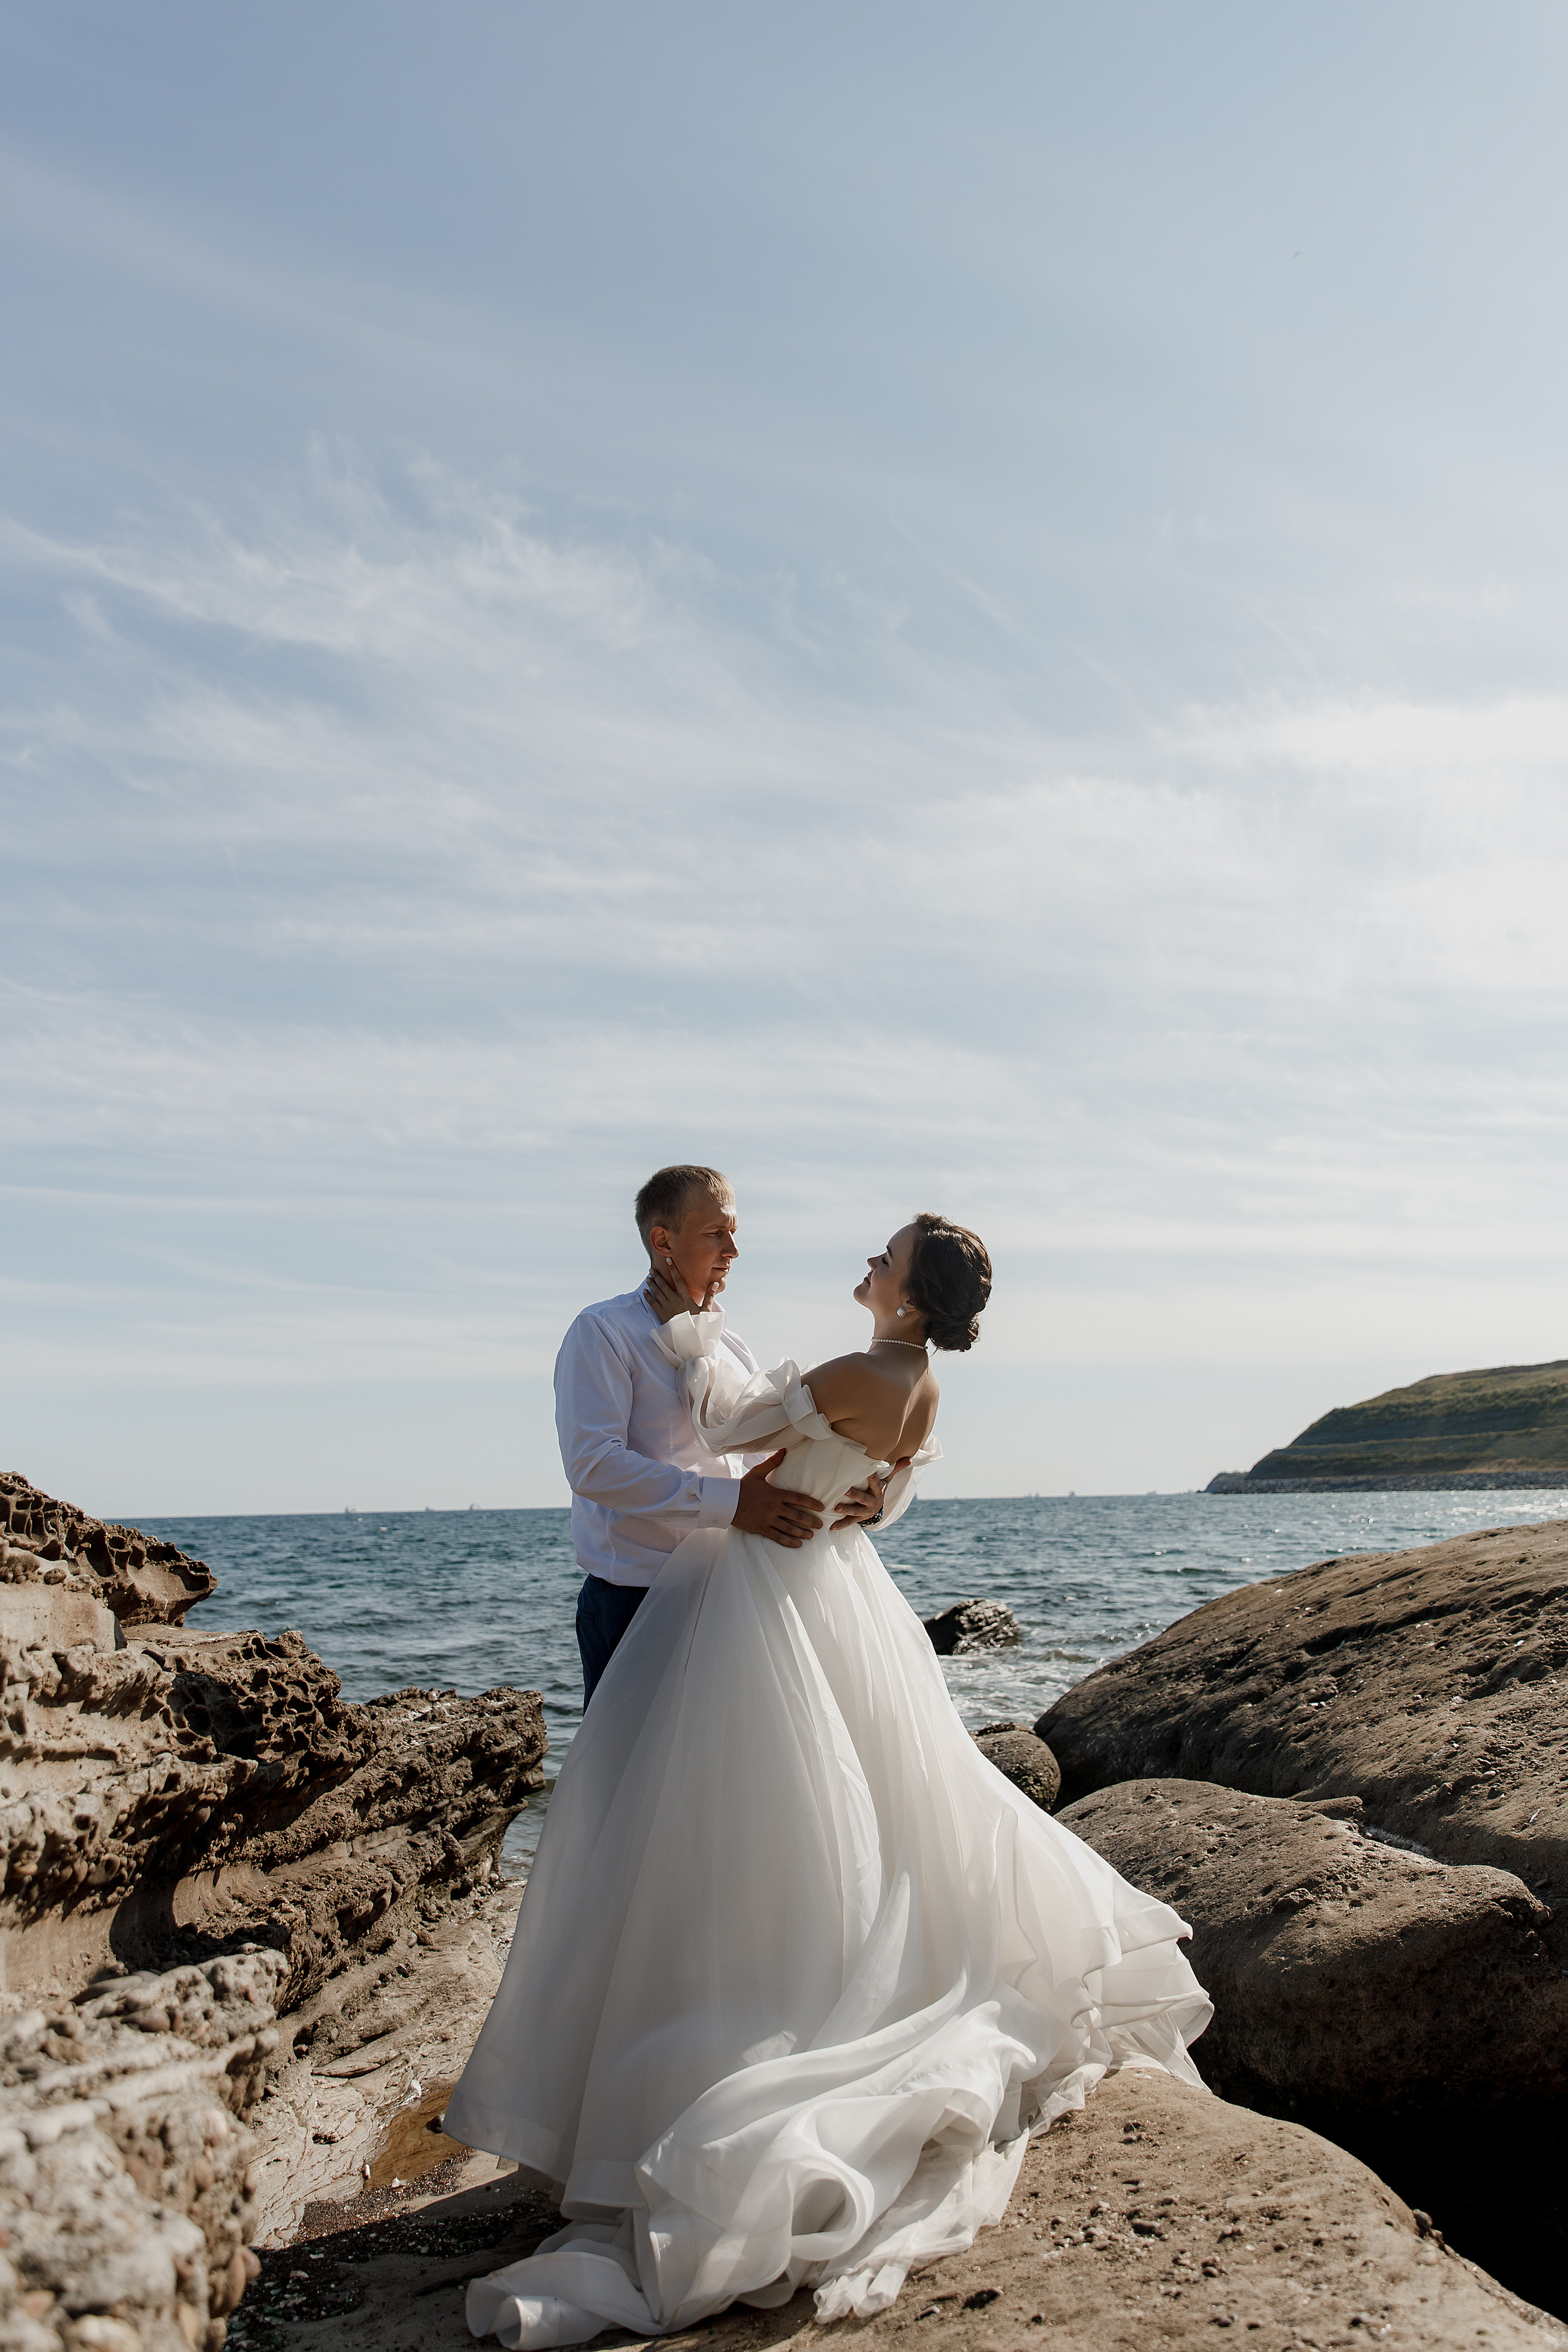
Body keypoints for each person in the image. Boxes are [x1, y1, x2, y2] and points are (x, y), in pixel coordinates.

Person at [445, 1214, 1211, 2347]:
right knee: (858, 1808)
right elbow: (881, 1478)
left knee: (728, 1821)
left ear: (909, 1294)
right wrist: (862, 1488)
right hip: (835, 1586)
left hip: (764, 1592)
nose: (868, 1262)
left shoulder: (853, 1366)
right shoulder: (919, 1381)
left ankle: (721, 2042)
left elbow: (727, 1427)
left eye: (884, 1256)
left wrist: (697, 1339)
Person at [556, 1165, 900, 1707]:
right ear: (662, 1240)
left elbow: (771, 1452)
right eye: (716, 1233)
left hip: (732, 1592)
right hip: (637, 1601)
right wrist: (734, 1504)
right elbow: (594, 1466)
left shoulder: (730, 1345)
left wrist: (861, 1500)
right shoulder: (603, 1332)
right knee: (631, 1781)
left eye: (734, 1231)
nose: (734, 1249)